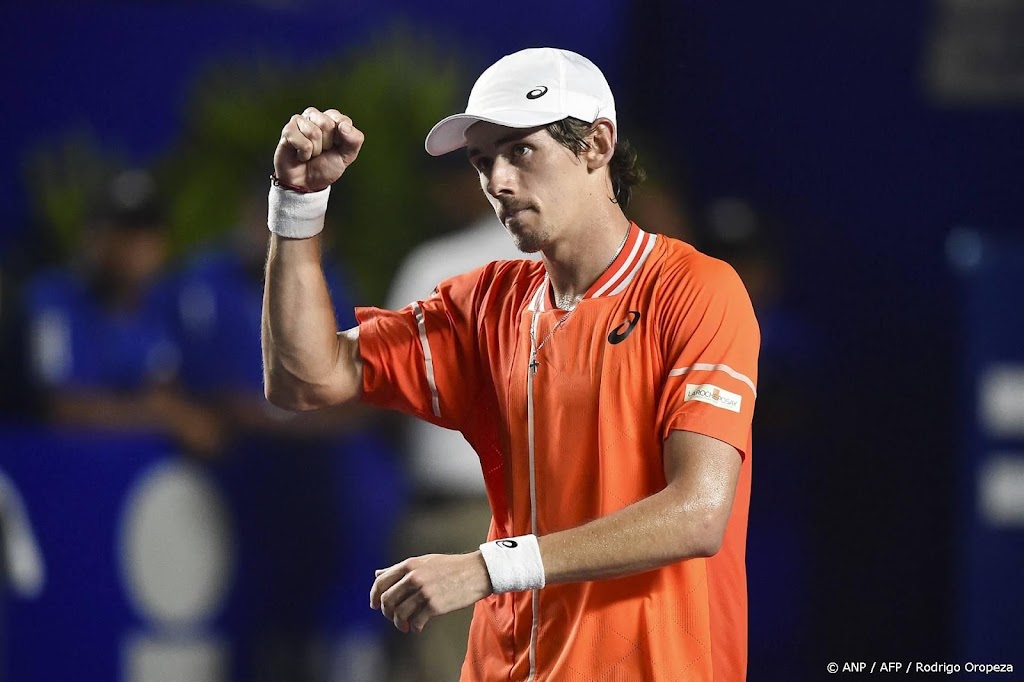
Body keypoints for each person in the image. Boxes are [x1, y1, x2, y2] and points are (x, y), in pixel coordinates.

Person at [262, 47, 760, 680]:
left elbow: (697, 512)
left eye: (521, 151)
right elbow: (305, 379)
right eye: (482, 161)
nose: (497, 181)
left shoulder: (697, 290)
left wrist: (486, 567)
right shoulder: (487, 304)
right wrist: (298, 206)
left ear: (597, 145)